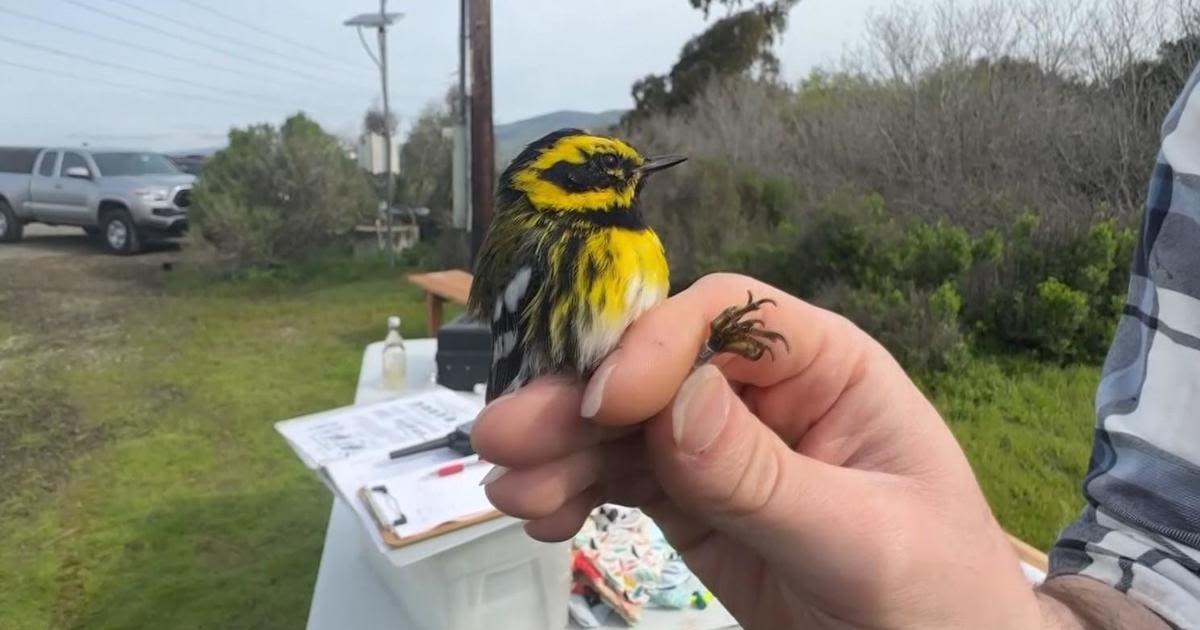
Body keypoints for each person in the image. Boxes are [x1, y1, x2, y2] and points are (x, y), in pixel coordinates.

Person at [470, 64, 1200, 630]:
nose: (630, 180)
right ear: (561, 186)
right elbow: (526, 366)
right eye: (607, 172)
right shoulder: (538, 240)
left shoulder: (643, 249)